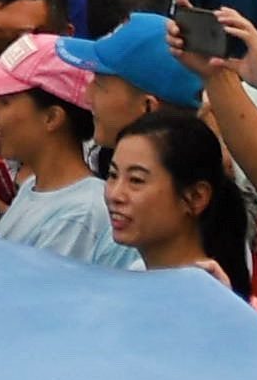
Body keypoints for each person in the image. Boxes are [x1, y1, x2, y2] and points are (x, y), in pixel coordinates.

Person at [0, 32, 126, 266]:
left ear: (51, 118)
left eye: (5, 102)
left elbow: (30, 285)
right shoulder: (33, 187)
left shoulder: (79, 215)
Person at [101, 111, 246, 290]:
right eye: (113, 175)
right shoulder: (136, 273)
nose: (115, 195)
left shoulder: (209, 292)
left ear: (196, 197)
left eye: (136, 180)